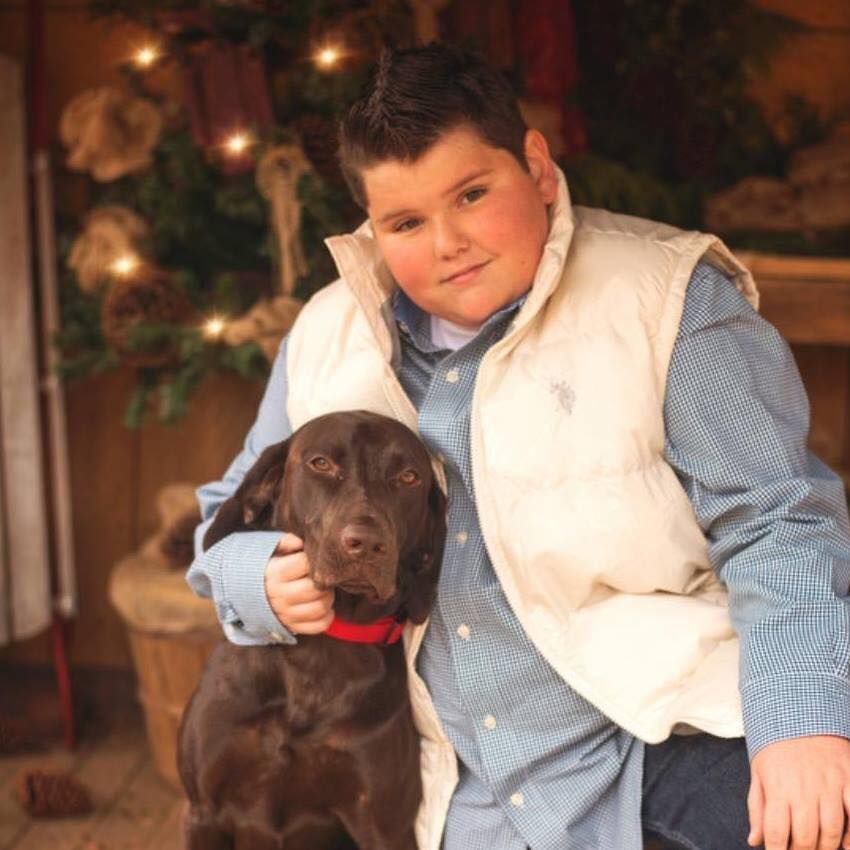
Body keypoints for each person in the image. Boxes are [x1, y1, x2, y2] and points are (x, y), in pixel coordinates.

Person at [187, 43, 850, 850]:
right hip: (450, 777)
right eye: (404, 222)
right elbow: (228, 514)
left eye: (471, 194)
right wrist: (252, 579)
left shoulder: (669, 304)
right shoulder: (328, 330)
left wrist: (803, 726)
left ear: (535, 165)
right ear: (370, 221)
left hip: (660, 732)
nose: (447, 243)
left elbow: (779, 523)